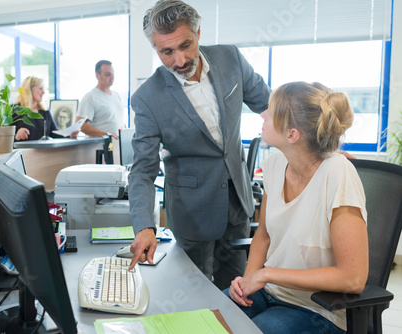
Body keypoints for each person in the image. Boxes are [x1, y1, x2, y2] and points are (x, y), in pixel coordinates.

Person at [127, 0, 271, 290]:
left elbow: (272, 107)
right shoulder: (147, 98)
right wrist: (144, 226)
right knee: (195, 292)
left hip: (236, 198)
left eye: (185, 45)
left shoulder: (230, 58)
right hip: (192, 210)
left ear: (199, 33)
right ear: (155, 48)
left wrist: (318, 145)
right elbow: (143, 170)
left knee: (238, 287)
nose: (179, 61)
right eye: (167, 52)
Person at [225, 82, 368, 334]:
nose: (262, 115)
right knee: (211, 317)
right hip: (269, 292)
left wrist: (266, 275)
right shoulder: (274, 164)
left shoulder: (337, 173)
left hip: (318, 308)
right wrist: (248, 282)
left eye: (270, 111)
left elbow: (353, 278)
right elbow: (264, 235)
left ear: (292, 135)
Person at [14, 76, 78, 141]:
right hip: (24, 150)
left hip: (44, 150)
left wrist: (69, 135)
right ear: (29, 89)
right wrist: (17, 136)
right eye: (40, 88)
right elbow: (5, 138)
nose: (43, 92)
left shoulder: (44, 111)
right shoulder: (15, 110)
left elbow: (54, 134)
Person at [75, 60, 124, 140]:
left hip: (117, 146)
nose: (112, 77)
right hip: (101, 147)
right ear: (98, 76)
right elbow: (80, 125)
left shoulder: (116, 95)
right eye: (108, 74)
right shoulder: (90, 97)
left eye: (113, 73)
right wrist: (105, 134)